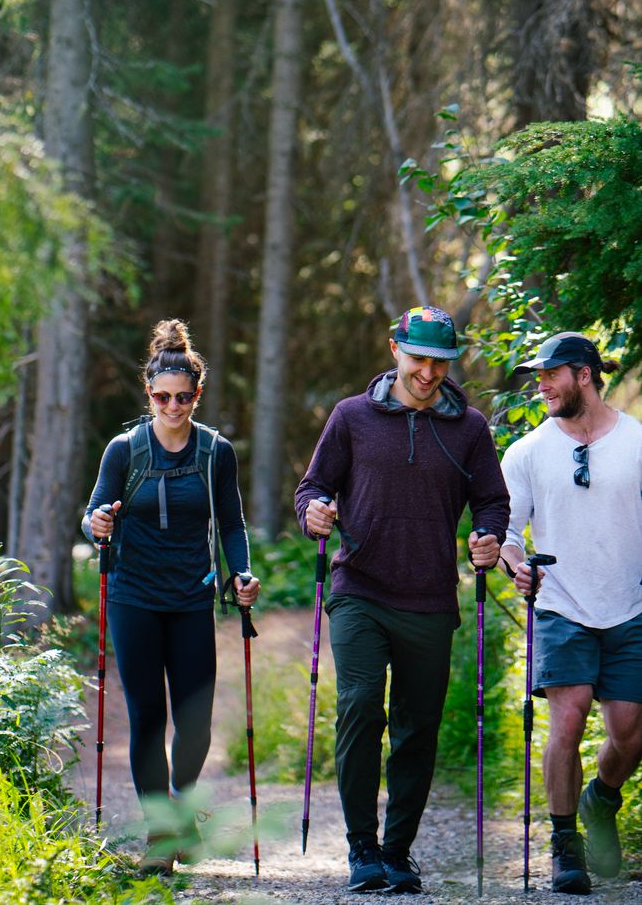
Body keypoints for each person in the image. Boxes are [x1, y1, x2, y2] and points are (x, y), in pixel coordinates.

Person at [295, 305, 510, 894]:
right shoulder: (352, 417)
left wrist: (487, 535)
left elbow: (492, 501)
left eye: (441, 363)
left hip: (430, 598)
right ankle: (361, 848)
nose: (428, 373)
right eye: (418, 359)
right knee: (361, 704)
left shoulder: (469, 428)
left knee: (418, 728)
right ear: (395, 350)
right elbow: (313, 486)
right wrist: (314, 512)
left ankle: (397, 852)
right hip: (359, 589)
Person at [83, 319, 259, 874]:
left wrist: (242, 573)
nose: (173, 406)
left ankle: (182, 804)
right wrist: (98, 523)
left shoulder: (215, 452)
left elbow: (231, 523)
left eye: (183, 397)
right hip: (133, 596)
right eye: (163, 397)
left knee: (196, 719)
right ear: (149, 394)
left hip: (191, 598)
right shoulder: (124, 450)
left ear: (197, 395)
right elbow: (93, 513)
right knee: (147, 718)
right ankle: (161, 835)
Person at [497, 331, 642, 895]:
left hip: (631, 606)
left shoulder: (636, 441)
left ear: (584, 374)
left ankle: (600, 800)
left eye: (551, 374)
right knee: (569, 717)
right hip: (561, 604)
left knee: (630, 732)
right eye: (538, 376)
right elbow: (507, 535)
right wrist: (517, 568)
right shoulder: (527, 452)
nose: (541, 385)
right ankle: (565, 846)